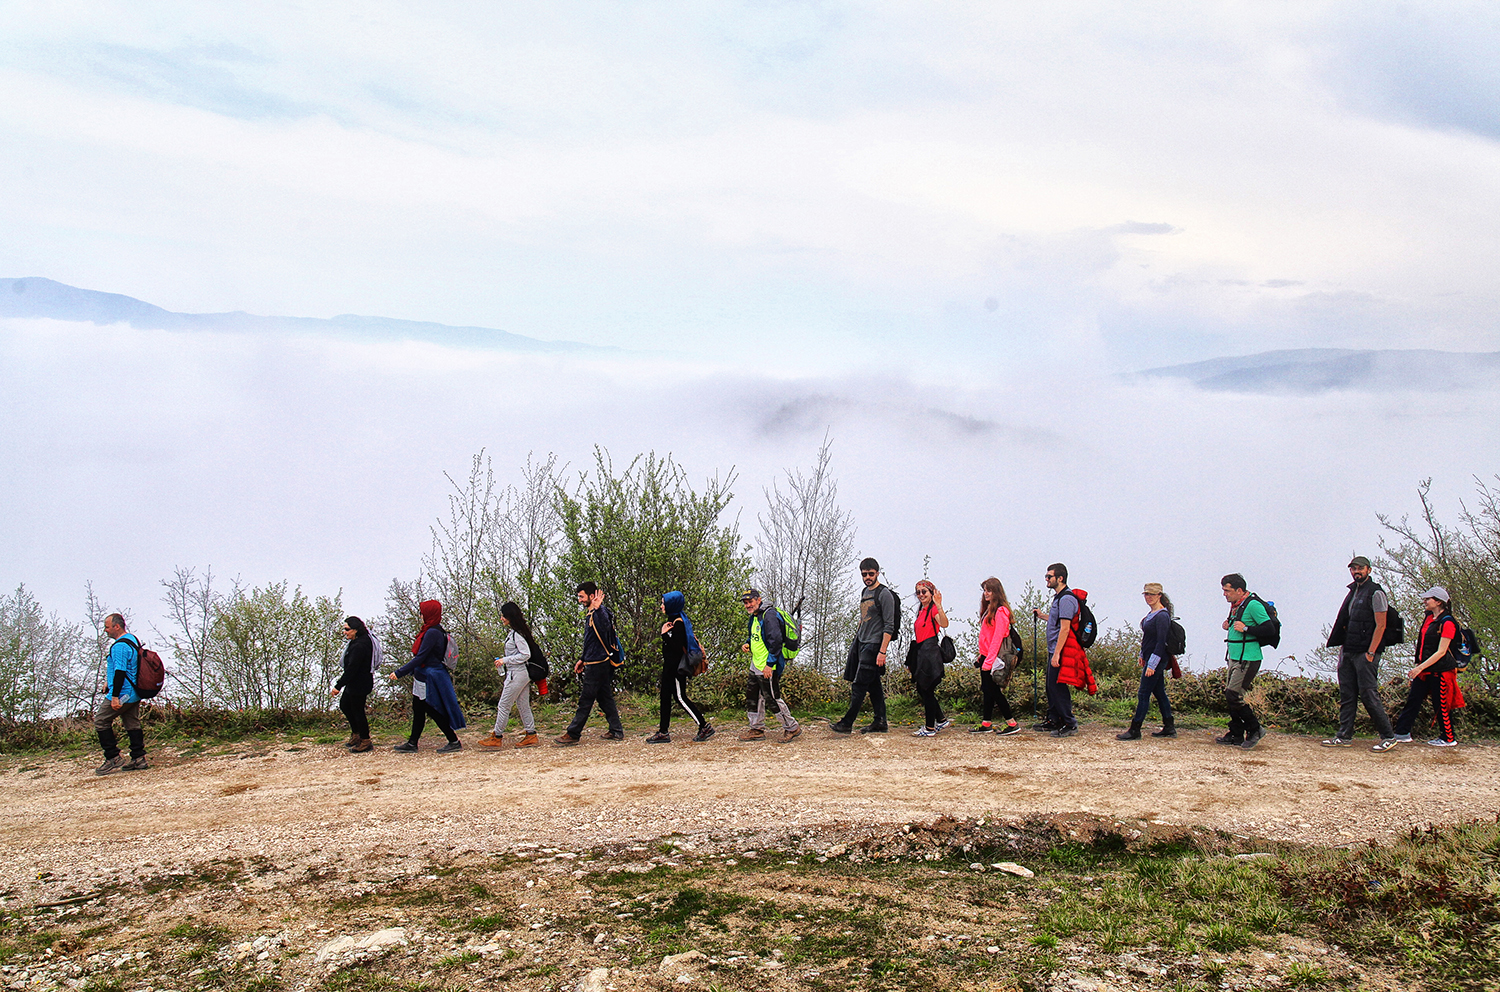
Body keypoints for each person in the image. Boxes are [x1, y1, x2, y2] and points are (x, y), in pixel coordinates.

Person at [1322, 556, 1398, 752]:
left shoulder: (1376, 592)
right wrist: (1342, 649)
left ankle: (1388, 736)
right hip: (1349, 650)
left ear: (1369, 570)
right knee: (1347, 695)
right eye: (1353, 569)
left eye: (1360, 568)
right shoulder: (1354, 591)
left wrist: (1371, 652)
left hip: (1365, 653)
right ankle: (1343, 735)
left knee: (1368, 694)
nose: (1356, 572)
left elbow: (1381, 625)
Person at [830, 558, 897, 734]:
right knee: (873, 685)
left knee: (859, 685)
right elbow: (863, 618)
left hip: (875, 644)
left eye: (870, 574)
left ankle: (846, 723)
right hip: (862, 642)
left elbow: (889, 625)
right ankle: (880, 721)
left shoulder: (884, 594)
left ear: (877, 573)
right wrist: (857, 638)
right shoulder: (864, 592)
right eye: (864, 574)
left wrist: (882, 651)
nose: (867, 577)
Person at [390, 599, 466, 753]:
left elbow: (420, 657)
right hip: (425, 675)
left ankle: (453, 740)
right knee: (419, 708)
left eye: (422, 612)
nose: (420, 614)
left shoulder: (431, 633)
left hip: (429, 676)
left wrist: (399, 672)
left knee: (432, 709)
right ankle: (412, 742)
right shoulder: (435, 629)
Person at [1391, 587, 1463, 747]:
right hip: (1426, 668)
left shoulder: (1448, 622)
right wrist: (1419, 665)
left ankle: (1448, 738)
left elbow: (1441, 652)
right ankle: (1402, 733)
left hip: (1441, 670)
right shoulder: (1429, 618)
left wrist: (1419, 668)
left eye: (1428, 599)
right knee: (1414, 699)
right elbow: (1423, 646)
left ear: (1438, 602)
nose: (1424, 601)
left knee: (1441, 704)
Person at [555, 582, 625, 745]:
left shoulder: (600, 612)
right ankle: (616, 730)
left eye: (582, 596)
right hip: (592, 660)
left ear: (592, 596)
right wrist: (582, 659)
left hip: (599, 663)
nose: (579, 600)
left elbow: (605, 629)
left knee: (586, 699)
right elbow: (591, 641)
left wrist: (598, 609)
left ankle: (573, 733)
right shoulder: (592, 612)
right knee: (604, 697)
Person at [1031, 564, 1094, 738]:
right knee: (1051, 686)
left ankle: (1069, 722)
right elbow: (1058, 620)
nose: (1046, 579)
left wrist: (1057, 653)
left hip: (1061, 650)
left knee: (1057, 686)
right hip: (1055, 649)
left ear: (1060, 578)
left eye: (1049, 576)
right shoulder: (1059, 597)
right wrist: (1043, 616)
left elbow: (1065, 628)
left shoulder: (1066, 599)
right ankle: (1054, 719)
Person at [648, 591, 715, 744]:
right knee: (665, 697)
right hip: (669, 668)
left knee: (680, 698)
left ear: (672, 604)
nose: (661, 606)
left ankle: (704, 726)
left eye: (664, 603)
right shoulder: (674, 620)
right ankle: (663, 731)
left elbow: (677, 648)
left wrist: (664, 634)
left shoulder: (678, 623)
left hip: (676, 669)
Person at [737, 589, 801, 743]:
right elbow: (755, 635)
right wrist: (747, 643)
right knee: (753, 696)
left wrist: (769, 665)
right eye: (745, 603)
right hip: (756, 663)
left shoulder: (769, 615)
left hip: (767, 665)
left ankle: (792, 727)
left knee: (772, 698)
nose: (748, 605)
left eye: (750, 601)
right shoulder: (754, 616)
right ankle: (756, 728)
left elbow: (776, 642)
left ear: (758, 600)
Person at [478, 602, 541, 749]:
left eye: (503, 616)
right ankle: (531, 734)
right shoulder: (517, 633)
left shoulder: (516, 635)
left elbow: (525, 654)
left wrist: (504, 660)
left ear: (510, 616)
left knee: (504, 705)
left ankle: (497, 736)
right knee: (522, 704)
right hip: (520, 673)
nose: (501, 618)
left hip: (517, 674)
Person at [1118, 584, 1177, 740]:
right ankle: (1169, 726)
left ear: (1159, 595)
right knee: (1159, 692)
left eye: (1151, 594)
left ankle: (1135, 729)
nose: (1148, 597)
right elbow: (1148, 639)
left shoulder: (1162, 616)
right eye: (1146, 594)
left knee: (1143, 693)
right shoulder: (1152, 614)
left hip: (1157, 659)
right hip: (1151, 656)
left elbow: (1161, 642)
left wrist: (1152, 664)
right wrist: (1142, 654)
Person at [93, 612, 148, 775]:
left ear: (117, 626)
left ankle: (113, 757)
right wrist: (108, 683)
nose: (105, 631)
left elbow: (120, 671)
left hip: (123, 693)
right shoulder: (132, 639)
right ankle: (139, 758)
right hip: (135, 691)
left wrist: (115, 696)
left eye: (107, 627)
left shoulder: (119, 647)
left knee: (101, 721)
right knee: (132, 722)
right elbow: (129, 666)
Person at [1219, 573, 1269, 749]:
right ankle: (1236, 732)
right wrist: (1228, 622)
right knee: (1230, 694)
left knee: (1233, 695)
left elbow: (1268, 628)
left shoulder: (1253, 605)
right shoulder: (1236, 605)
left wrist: (1246, 628)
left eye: (1227, 590)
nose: (1224, 594)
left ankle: (1255, 729)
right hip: (1235, 657)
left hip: (1248, 657)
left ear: (1239, 590)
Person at [969, 577, 1020, 736]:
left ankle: (1012, 723)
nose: (985, 593)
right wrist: (982, 656)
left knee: (994, 691)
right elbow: (987, 637)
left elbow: (998, 638)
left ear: (996, 592)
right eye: (984, 590)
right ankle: (986, 723)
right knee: (988, 690)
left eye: (988, 590)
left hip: (995, 658)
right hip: (987, 656)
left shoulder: (1001, 611)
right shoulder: (989, 610)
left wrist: (989, 661)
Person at [909, 580, 952, 737]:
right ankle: (940, 720)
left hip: (931, 654)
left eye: (924, 592)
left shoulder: (933, 609)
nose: (921, 595)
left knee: (927, 688)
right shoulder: (921, 610)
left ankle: (929, 728)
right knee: (923, 688)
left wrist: (939, 605)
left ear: (931, 593)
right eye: (918, 592)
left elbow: (944, 623)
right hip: (922, 653)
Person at [331, 616, 374, 753]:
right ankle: (357, 735)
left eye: (347, 629)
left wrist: (338, 686)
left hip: (359, 683)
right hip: (355, 682)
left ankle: (365, 740)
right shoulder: (358, 641)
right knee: (345, 705)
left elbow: (352, 669)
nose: (345, 632)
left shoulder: (360, 646)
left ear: (355, 630)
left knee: (358, 711)